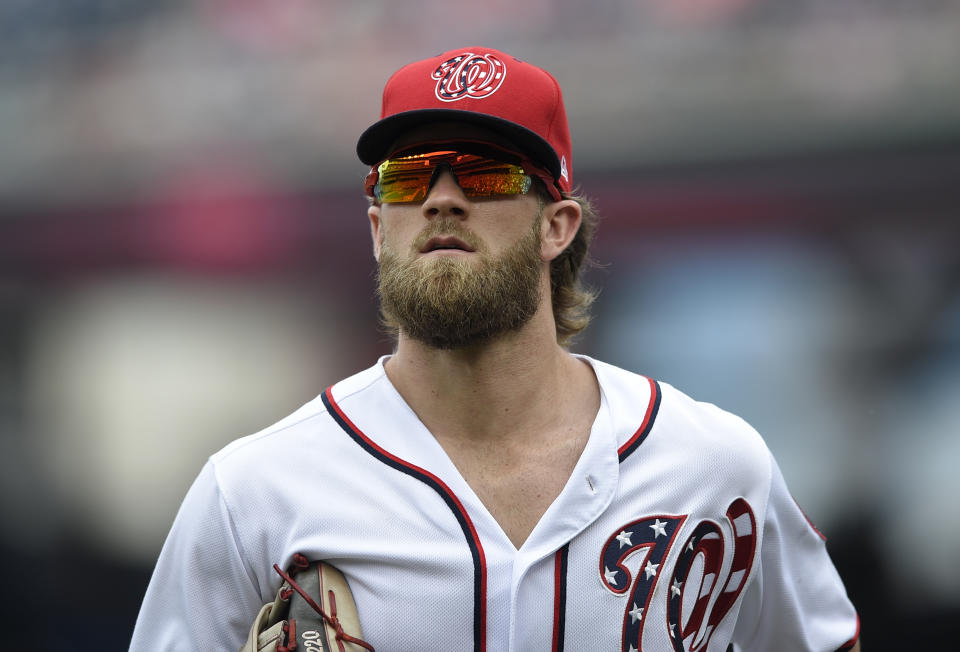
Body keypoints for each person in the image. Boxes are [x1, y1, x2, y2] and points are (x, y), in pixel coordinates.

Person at [130, 46, 861, 652]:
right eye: (409, 177)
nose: (443, 198)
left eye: (485, 174)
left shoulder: (712, 465)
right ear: (380, 227)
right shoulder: (255, 493)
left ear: (558, 226)